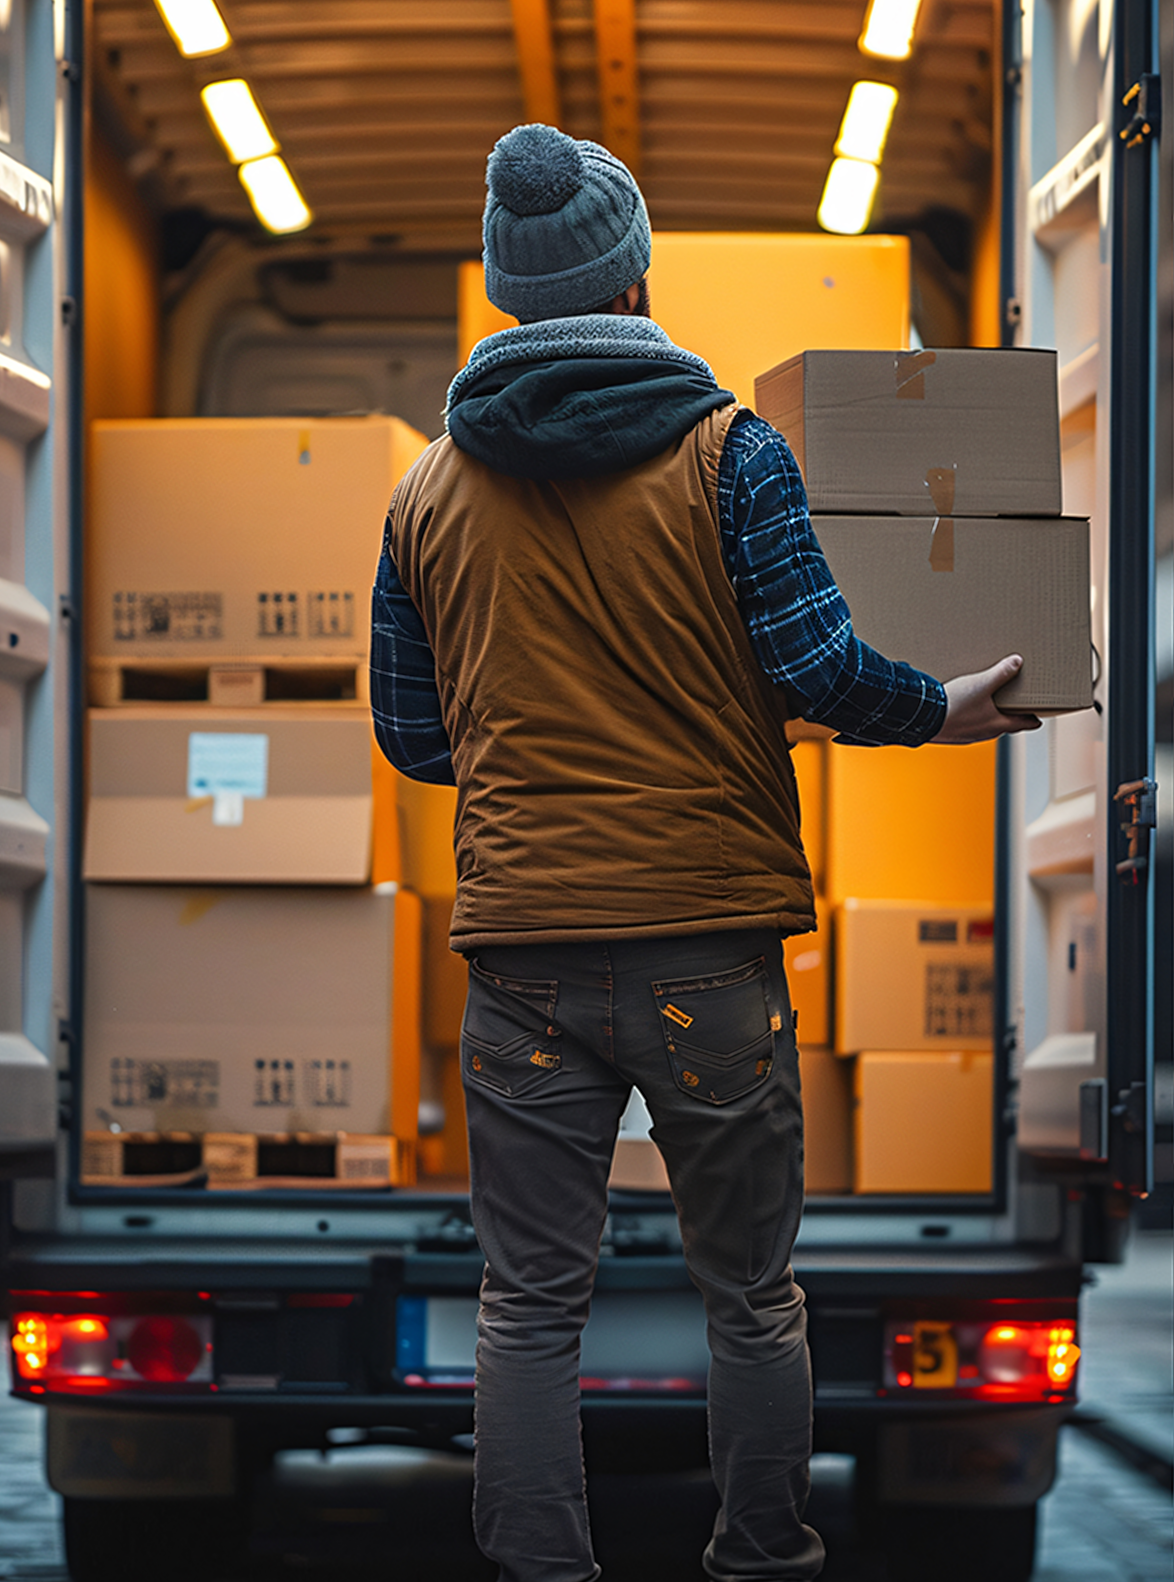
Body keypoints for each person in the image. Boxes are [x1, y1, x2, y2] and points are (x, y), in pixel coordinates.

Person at [370, 123, 1040, 1582]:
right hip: (705, 958)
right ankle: (759, 1557)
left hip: (524, 962)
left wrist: (543, 733)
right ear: (632, 281)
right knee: (750, 1296)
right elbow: (815, 667)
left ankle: (542, 1567)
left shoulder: (421, 496)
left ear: (503, 292)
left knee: (526, 1303)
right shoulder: (732, 454)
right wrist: (949, 710)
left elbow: (416, 739)